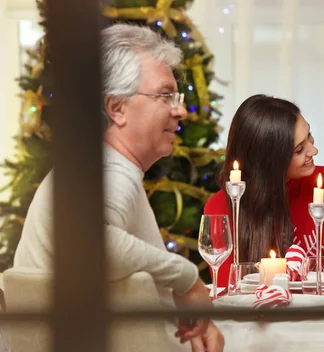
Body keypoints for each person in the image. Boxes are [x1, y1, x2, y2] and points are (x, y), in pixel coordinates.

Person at [13, 24, 223, 352]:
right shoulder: (108, 171)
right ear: (117, 108)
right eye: (165, 95)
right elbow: (91, 241)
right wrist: (186, 277)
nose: (180, 110)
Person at [203, 95, 324, 287]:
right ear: (270, 161)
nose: (314, 151)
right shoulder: (223, 207)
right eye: (299, 150)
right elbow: (229, 287)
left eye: (309, 135)